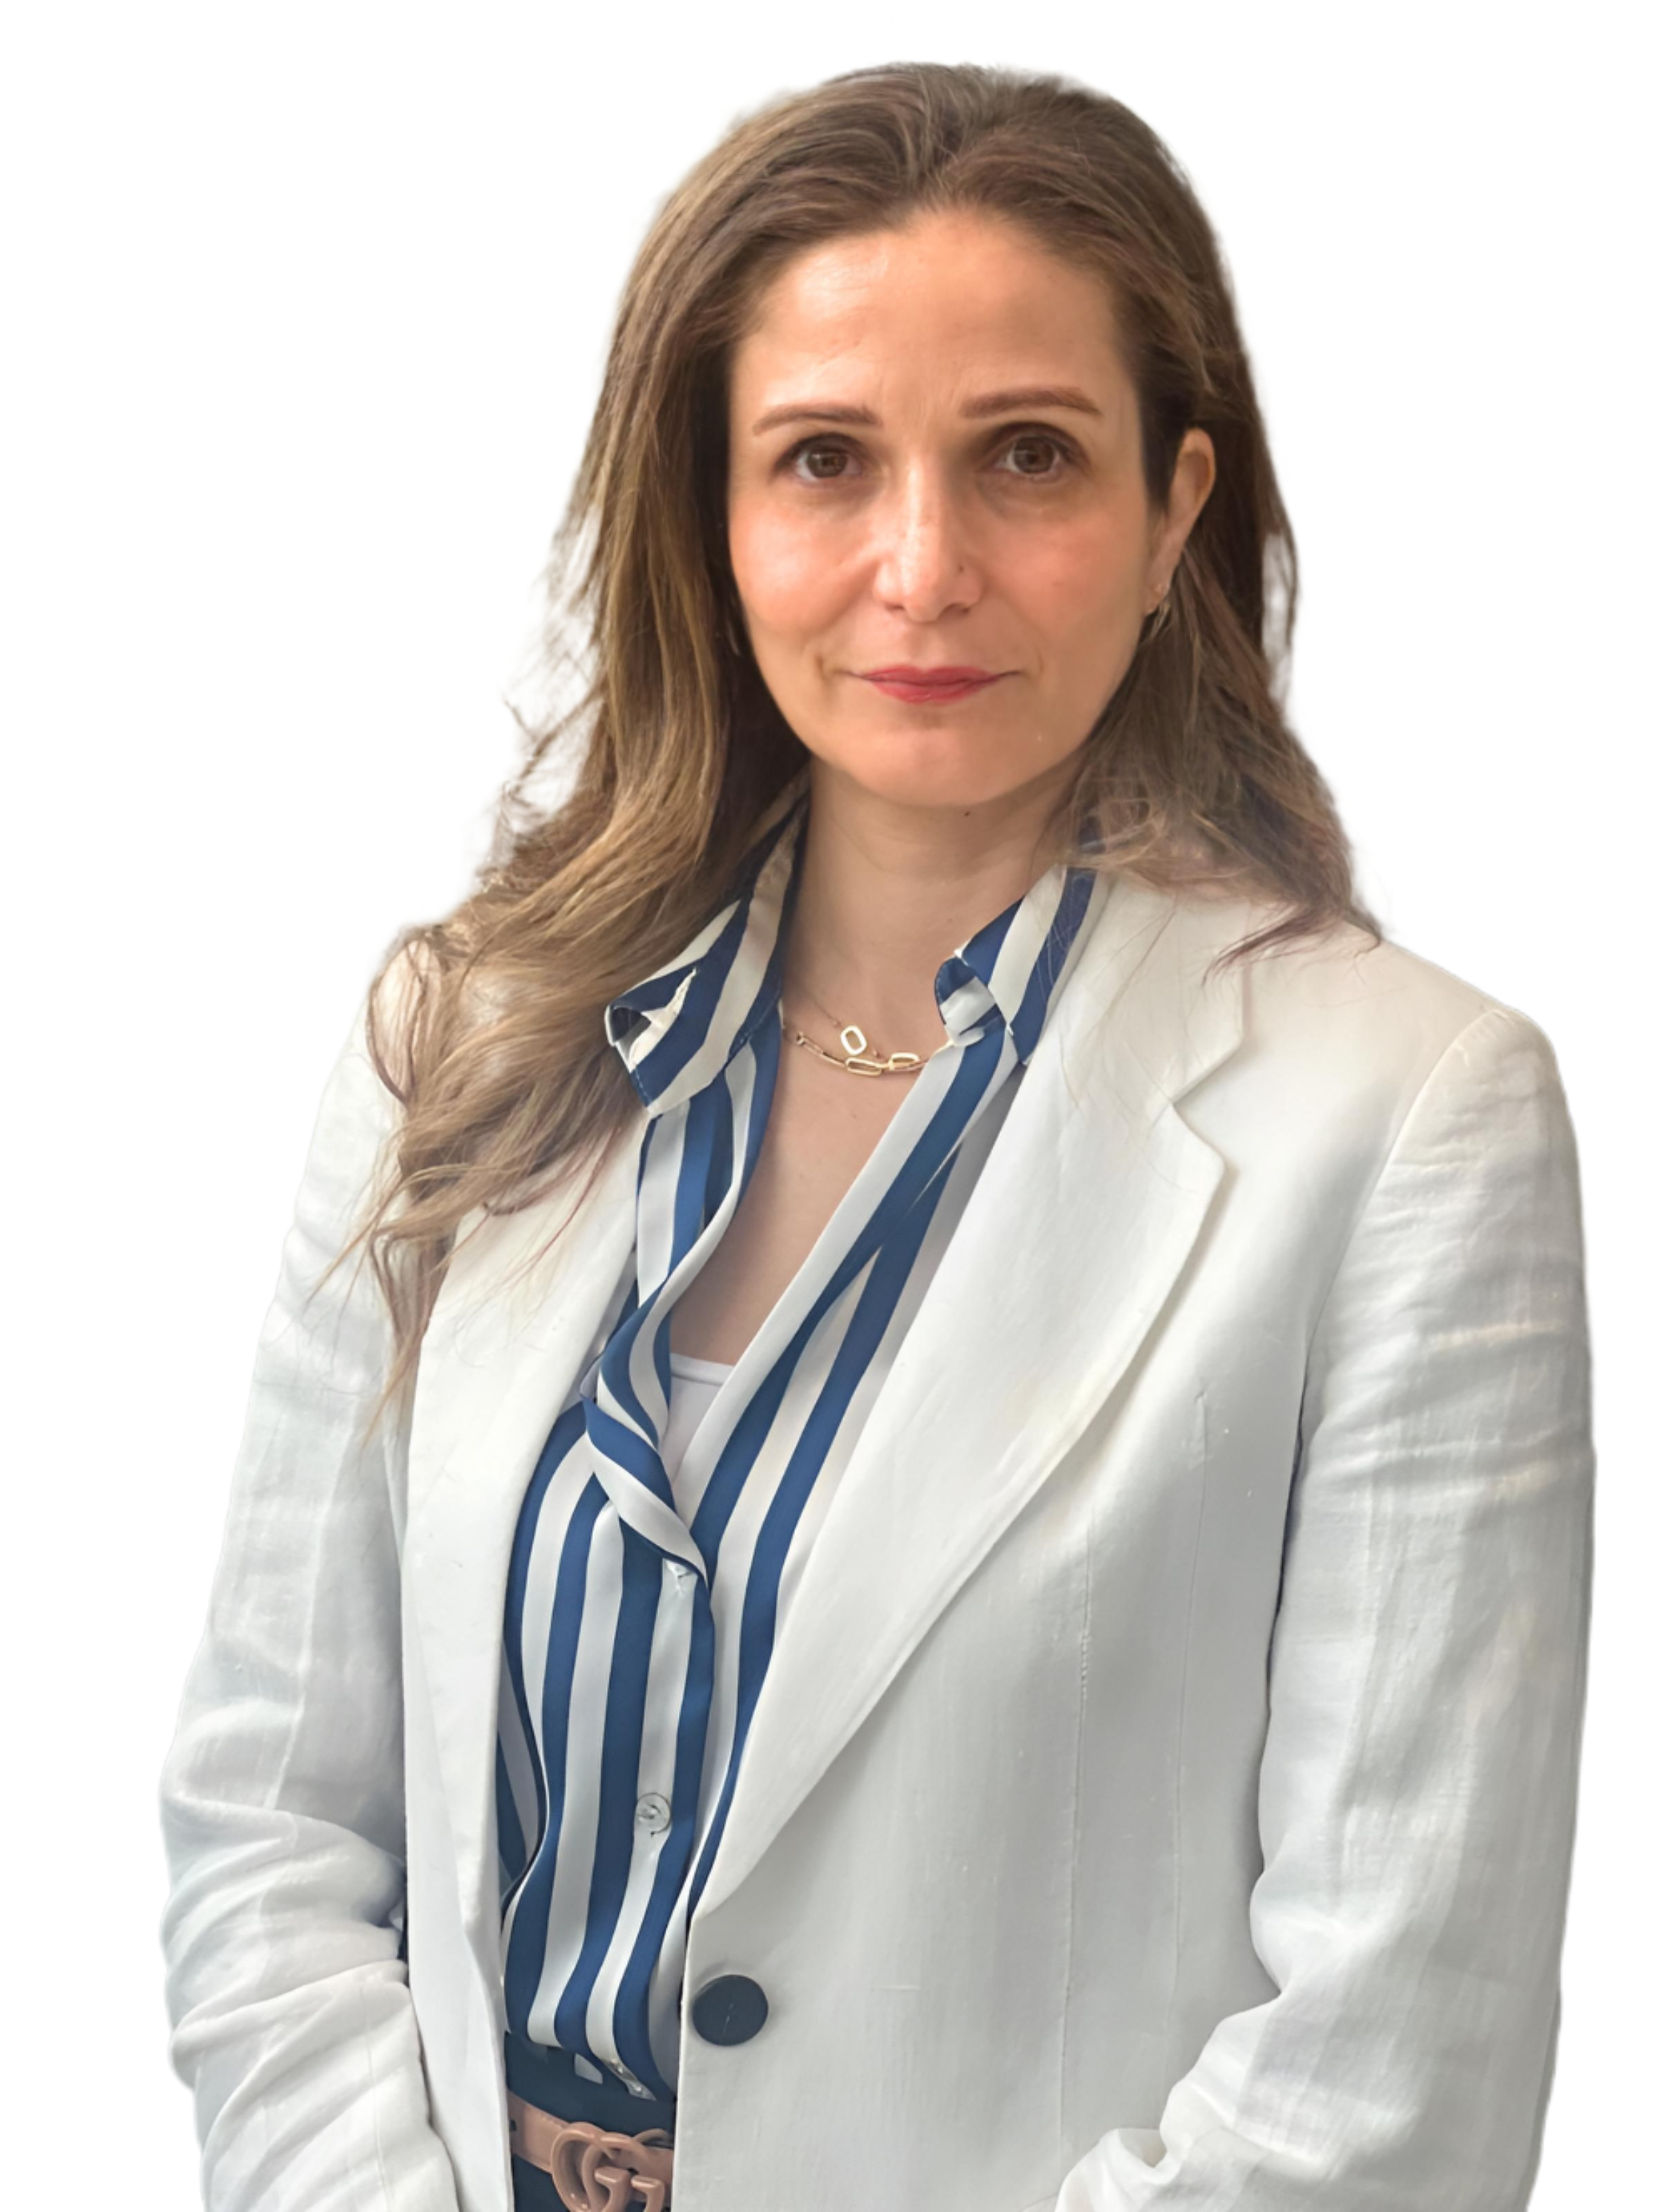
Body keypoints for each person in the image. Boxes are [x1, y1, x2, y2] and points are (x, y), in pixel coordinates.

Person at [156, 57, 1595, 2212]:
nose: (924, 569)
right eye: (823, 458)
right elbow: (271, 1823)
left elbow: (1395, 2061)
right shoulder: (449, 1040)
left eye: (1029, 455)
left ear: (1176, 510)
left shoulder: (1410, 1123)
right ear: (710, 510)